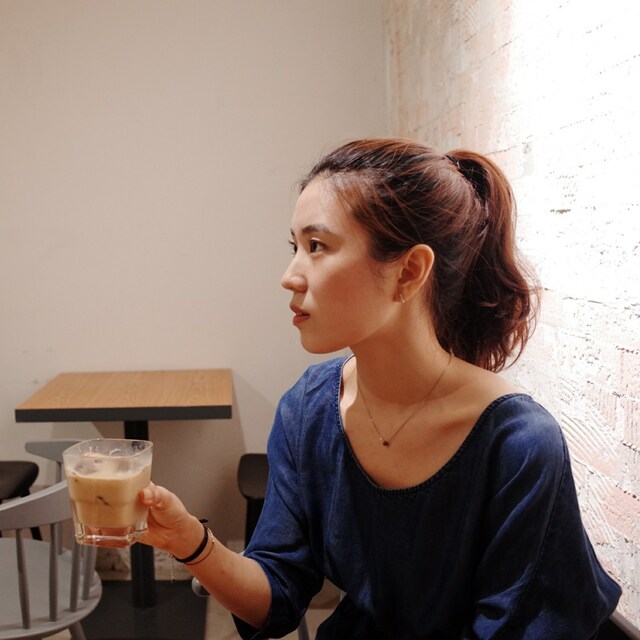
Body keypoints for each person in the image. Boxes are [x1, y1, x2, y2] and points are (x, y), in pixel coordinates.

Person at [140, 138, 621, 639]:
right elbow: (277, 598)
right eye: (295, 247)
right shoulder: (309, 409)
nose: (289, 276)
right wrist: (190, 541)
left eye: (317, 246)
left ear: (409, 271)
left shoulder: (518, 445)